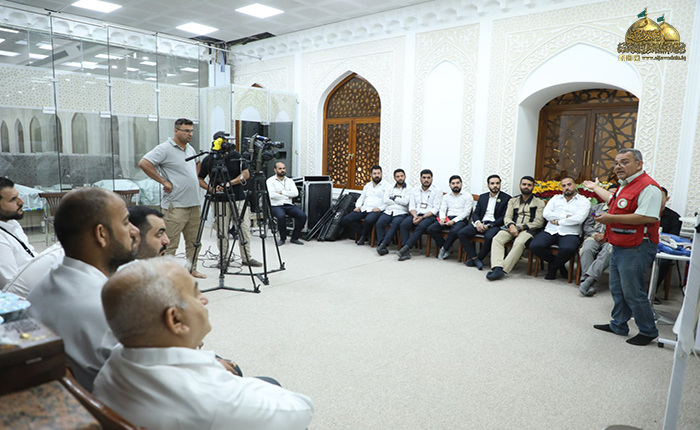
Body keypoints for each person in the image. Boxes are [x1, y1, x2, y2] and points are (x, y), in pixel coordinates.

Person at [93, 258, 315, 430]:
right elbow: (302, 409)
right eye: (195, 293)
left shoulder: (117, 357)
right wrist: (228, 379)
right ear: (176, 320)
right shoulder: (213, 399)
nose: (205, 299)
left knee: (269, 382)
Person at [27, 188, 140, 391]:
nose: (135, 231)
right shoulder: (110, 309)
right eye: (125, 222)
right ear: (101, 234)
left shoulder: (43, 288)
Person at [584, 148, 663, 346]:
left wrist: (611, 218)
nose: (618, 166)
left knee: (633, 291)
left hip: (637, 246)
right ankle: (618, 324)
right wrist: (595, 187)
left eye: (625, 162)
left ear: (639, 164)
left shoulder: (649, 187)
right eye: (616, 163)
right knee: (617, 288)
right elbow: (613, 201)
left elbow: (648, 216)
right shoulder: (625, 185)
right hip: (620, 244)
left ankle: (648, 330)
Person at [139, 118, 206, 278]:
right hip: (175, 205)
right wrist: (163, 181)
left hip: (193, 204)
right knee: (169, 242)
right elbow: (144, 163)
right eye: (186, 131)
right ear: (176, 131)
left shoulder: (190, 149)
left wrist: (192, 177)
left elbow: (198, 162)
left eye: (191, 131)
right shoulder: (165, 148)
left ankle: (191, 269)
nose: (190, 134)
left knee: (194, 242)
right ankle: (165, 273)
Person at [198, 132, 262, 267]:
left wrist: (230, 183)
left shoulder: (236, 156)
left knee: (244, 228)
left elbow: (246, 174)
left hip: (238, 198)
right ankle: (224, 258)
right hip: (218, 199)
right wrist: (211, 190)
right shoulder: (209, 159)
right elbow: (200, 178)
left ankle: (246, 257)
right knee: (221, 230)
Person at [529, 176, 590, 280]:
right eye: (564, 185)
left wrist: (558, 221)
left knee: (568, 249)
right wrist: (566, 217)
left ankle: (552, 269)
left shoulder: (584, 201)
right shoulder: (555, 199)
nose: (567, 187)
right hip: (551, 230)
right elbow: (546, 214)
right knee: (535, 245)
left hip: (570, 232)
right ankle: (560, 266)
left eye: (569, 184)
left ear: (575, 185)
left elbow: (578, 219)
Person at [487, 176, 545, 281]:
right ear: (520, 185)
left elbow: (539, 222)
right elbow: (507, 217)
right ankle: (497, 267)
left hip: (528, 229)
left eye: (529, 185)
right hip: (511, 227)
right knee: (497, 238)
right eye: (524, 184)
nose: (526, 187)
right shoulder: (513, 200)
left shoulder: (539, 202)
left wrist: (519, 228)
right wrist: (511, 225)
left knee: (519, 242)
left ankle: (503, 270)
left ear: (533, 187)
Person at [457, 175, 511, 270]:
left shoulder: (507, 198)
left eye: (497, 183)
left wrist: (489, 225)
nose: (495, 186)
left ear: (500, 184)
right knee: (462, 233)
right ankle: (474, 258)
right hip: (481, 222)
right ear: (488, 185)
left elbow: (504, 217)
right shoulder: (483, 197)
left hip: (494, 224)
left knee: (489, 237)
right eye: (492, 183)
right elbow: (476, 213)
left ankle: (480, 258)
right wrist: (478, 223)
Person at [578, 186, 618, 296]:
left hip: (611, 239)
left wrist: (606, 236)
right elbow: (587, 226)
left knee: (608, 251)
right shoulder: (596, 208)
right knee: (587, 249)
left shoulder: (621, 212)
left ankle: (589, 279)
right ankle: (587, 281)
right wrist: (595, 234)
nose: (612, 196)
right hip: (593, 236)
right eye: (609, 193)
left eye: (615, 194)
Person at [396, 169, 442, 261]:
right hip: (416, 214)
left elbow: (436, 209)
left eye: (428, 178)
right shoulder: (414, 190)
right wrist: (415, 216)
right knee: (404, 224)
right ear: (420, 179)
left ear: (432, 179)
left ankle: (405, 248)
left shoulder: (437, 191)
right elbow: (411, 206)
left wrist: (422, 217)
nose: (426, 180)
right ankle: (406, 252)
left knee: (421, 226)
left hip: (430, 216)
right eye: (424, 178)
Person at [0, 177, 37, 291]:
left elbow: (29, 255)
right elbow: (10, 286)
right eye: (13, 199)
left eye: (18, 196)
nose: (21, 202)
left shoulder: (12, 223)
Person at [426, 175, 475, 260]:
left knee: (454, 231)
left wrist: (454, 221)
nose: (455, 185)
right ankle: (447, 247)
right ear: (450, 185)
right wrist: (442, 218)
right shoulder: (446, 196)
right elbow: (442, 209)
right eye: (453, 183)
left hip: (461, 219)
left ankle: (443, 249)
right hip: (447, 218)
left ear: (461, 184)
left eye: (457, 183)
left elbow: (466, 212)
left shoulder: (468, 196)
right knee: (431, 229)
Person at [341, 165, 386, 245]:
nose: (377, 175)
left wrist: (380, 208)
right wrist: (358, 206)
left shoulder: (386, 186)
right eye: (375, 173)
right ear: (371, 174)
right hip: (364, 208)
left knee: (368, 220)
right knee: (346, 219)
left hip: (376, 210)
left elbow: (388, 201)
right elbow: (361, 198)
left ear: (381, 174)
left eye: (378, 173)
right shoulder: (367, 186)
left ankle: (363, 236)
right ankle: (366, 234)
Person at [266, 161, 306, 246]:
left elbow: (295, 193)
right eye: (280, 168)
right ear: (275, 170)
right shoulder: (270, 181)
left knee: (302, 216)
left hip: (289, 205)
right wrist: (287, 195)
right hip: (276, 205)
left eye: (284, 168)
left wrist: (281, 192)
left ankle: (294, 238)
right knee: (281, 216)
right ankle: (282, 238)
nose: (282, 170)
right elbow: (272, 195)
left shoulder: (290, 181)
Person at [376, 169, 410, 255]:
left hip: (401, 212)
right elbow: (385, 200)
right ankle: (381, 245)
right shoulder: (389, 187)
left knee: (395, 224)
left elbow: (406, 202)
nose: (400, 178)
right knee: (379, 223)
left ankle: (384, 244)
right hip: (389, 210)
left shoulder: (410, 188)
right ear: (394, 178)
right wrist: (399, 200)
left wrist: (393, 198)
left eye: (401, 176)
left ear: (405, 176)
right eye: (398, 176)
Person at [655, 186, 682, 291]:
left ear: (667, 199)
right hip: (645, 246)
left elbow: (674, 238)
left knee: (665, 262)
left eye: (661, 197)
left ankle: (653, 291)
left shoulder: (674, 217)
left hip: (664, 248)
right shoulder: (643, 214)